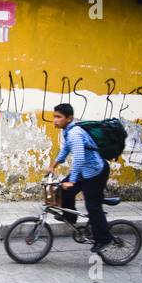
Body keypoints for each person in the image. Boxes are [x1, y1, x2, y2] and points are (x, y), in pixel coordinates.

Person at [46, 104, 112, 253]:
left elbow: (79, 158)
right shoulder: (68, 132)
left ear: (69, 118)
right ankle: (70, 217)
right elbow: (65, 150)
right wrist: (53, 166)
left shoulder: (75, 133)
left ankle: (104, 238)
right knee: (61, 191)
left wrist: (73, 180)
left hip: (95, 172)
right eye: (54, 117)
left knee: (93, 206)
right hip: (84, 172)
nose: (55, 120)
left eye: (58, 117)